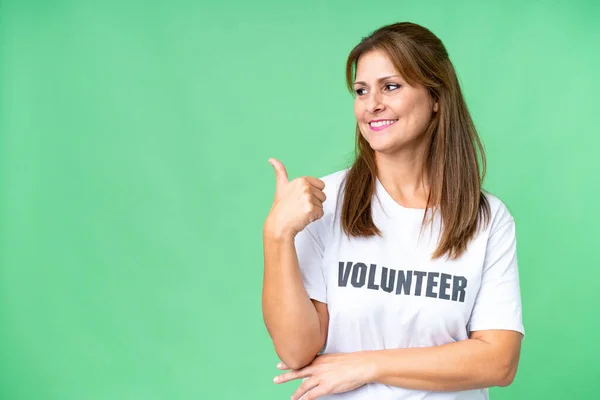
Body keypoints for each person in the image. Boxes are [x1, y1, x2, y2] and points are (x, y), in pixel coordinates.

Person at [262, 21, 524, 400]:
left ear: (436, 97)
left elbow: (499, 361)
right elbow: (296, 350)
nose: (372, 104)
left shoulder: (486, 217)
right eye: (361, 90)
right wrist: (277, 235)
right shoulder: (327, 202)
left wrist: (368, 364)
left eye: (391, 86)